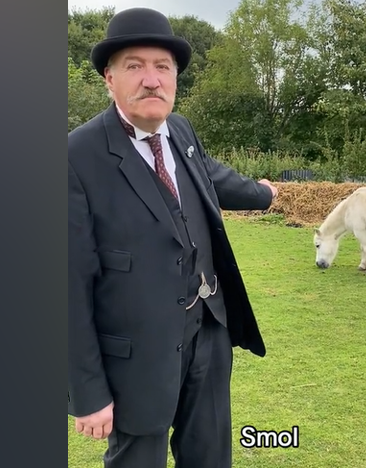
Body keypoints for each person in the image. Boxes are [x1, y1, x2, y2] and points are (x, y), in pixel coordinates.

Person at [67, 7, 278, 468]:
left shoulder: (180, 130)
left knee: (209, 455)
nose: (151, 79)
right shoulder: (76, 155)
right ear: (109, 78)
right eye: (134, 66)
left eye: (163, 67)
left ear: (176, 77)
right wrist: (87, 393)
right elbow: (68, 287)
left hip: (208, 329)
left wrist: (263, 194)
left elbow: (210, 176)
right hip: (136, 353)